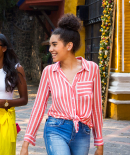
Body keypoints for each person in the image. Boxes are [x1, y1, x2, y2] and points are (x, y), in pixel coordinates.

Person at [20, 14, 104, 155]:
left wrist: (99, 143)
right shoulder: (49, 72)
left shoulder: (92, 69)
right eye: (50, 45)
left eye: (54, 45)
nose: (50, 49)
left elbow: (96, 107)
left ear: (69, 45)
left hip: (83, 132)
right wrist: (26, 143)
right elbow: (38, 107)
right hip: (56, 129)